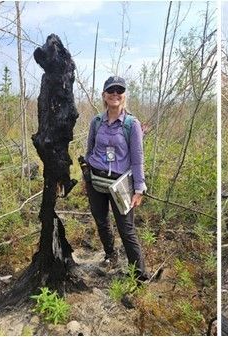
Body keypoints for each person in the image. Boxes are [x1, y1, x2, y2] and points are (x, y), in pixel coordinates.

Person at [83, 76, 149, 281]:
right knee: (101, 221)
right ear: (104, 95)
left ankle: (139, 275)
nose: (115, 94)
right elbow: (90, 151)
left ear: (124, 96)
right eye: (111, 91)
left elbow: (137, 159)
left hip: (120, 185)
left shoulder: (131, 124)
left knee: (126, 229)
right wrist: (86, 179)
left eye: (119, 91)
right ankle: (111, 255)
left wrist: (139, 188)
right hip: (96, 180)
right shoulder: (96, 122)